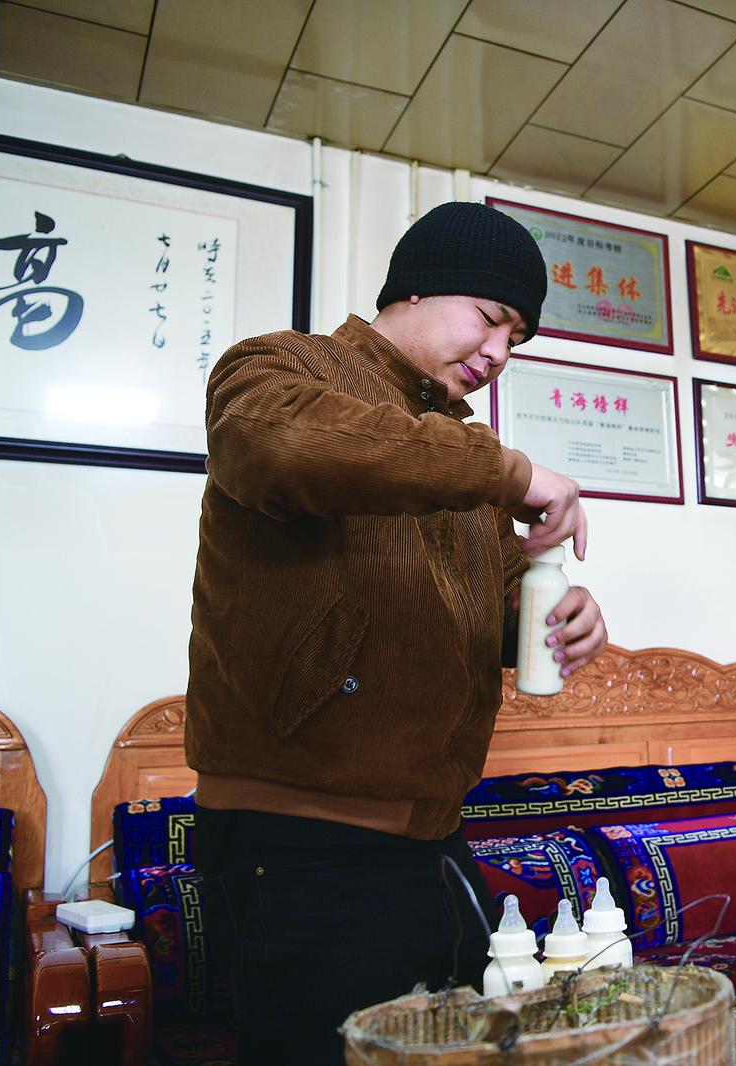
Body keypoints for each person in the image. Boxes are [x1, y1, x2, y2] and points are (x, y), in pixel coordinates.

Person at [185, 201, 609, 1064]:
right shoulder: (279, 367)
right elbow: (278, 448)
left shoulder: (459, 450)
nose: (498, 353)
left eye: (516, 339)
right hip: (302, 844)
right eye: (490, 318)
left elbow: (493, 610)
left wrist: (554, 614)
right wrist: (507, 472)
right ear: (414, 288)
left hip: (432, 837)